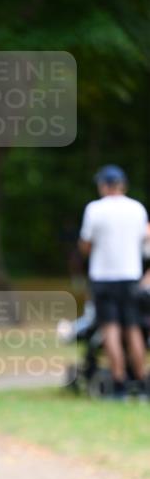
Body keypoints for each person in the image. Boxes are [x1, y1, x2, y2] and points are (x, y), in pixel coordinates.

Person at [79, 164, 148, 399]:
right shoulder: (137, 209)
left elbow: (86, 245)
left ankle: (118, 383)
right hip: (131, 277)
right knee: (134, 329)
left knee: (111, 330)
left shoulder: (94, 209)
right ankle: (140, 382)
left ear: (104, 186)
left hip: (104, 278)